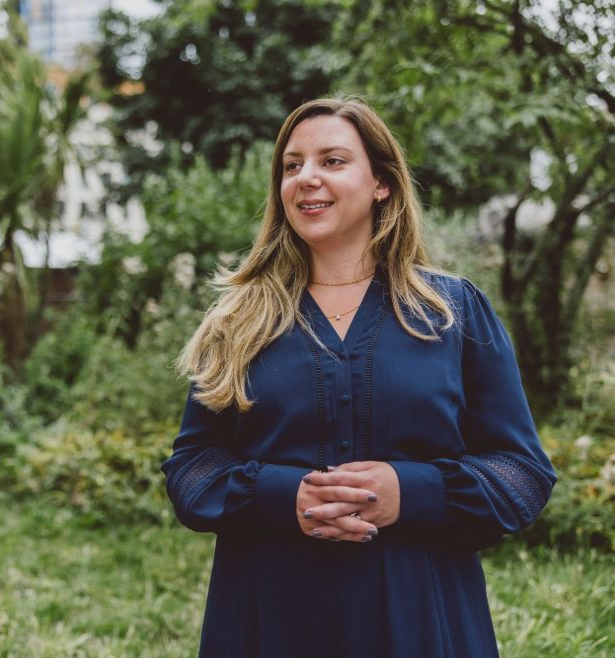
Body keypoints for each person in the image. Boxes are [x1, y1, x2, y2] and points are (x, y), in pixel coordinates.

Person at [161, 97, 556, 658]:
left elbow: (522, 473)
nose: (307, 178)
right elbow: (191, 469)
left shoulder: (453, 311)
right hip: (268, 616)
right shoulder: (239, 319)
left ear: (382, 184)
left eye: (333, 160)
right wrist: (283, 496)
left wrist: (410, 492)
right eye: (292, 165)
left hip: (421, 614)